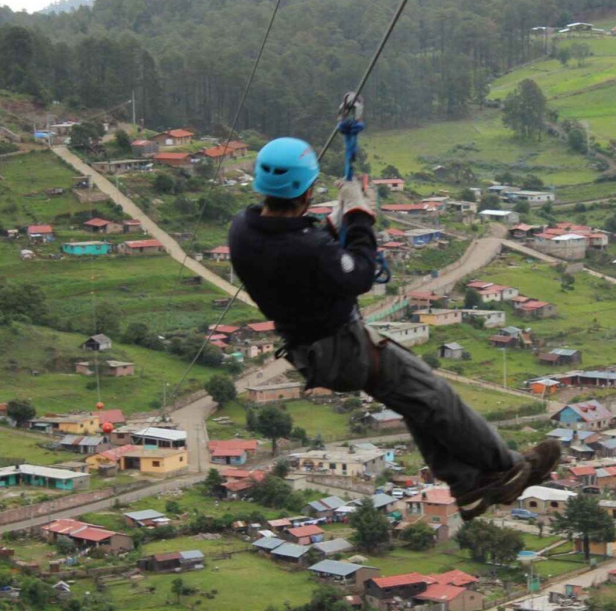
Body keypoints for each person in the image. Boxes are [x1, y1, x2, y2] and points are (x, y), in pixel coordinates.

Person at [227, 135, 559, 519]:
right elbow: (359, 274)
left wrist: (335, 221)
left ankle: (467, 484)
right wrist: (359, 217)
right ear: (308, 190)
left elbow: (301, 250)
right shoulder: (308, 248)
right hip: (342, 348)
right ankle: (507, 470)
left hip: (312, 350)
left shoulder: (243, 230)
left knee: (415, 400)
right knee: (434, 395)